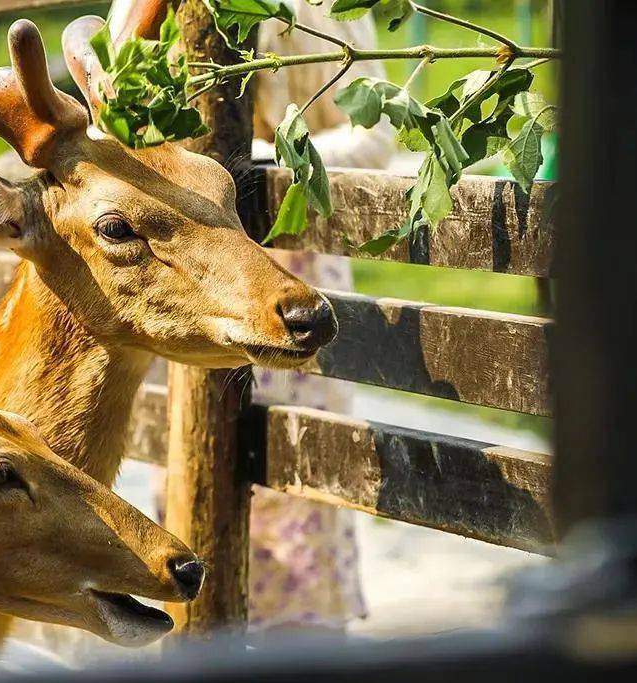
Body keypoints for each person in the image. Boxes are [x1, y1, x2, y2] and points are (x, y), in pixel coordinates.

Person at [245, 2, 396, 633]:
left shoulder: (336, 9)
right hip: (225, 269)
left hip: (307, 267)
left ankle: (305, 632)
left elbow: (380, 136)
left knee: (306, 462)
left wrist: (273, 157)